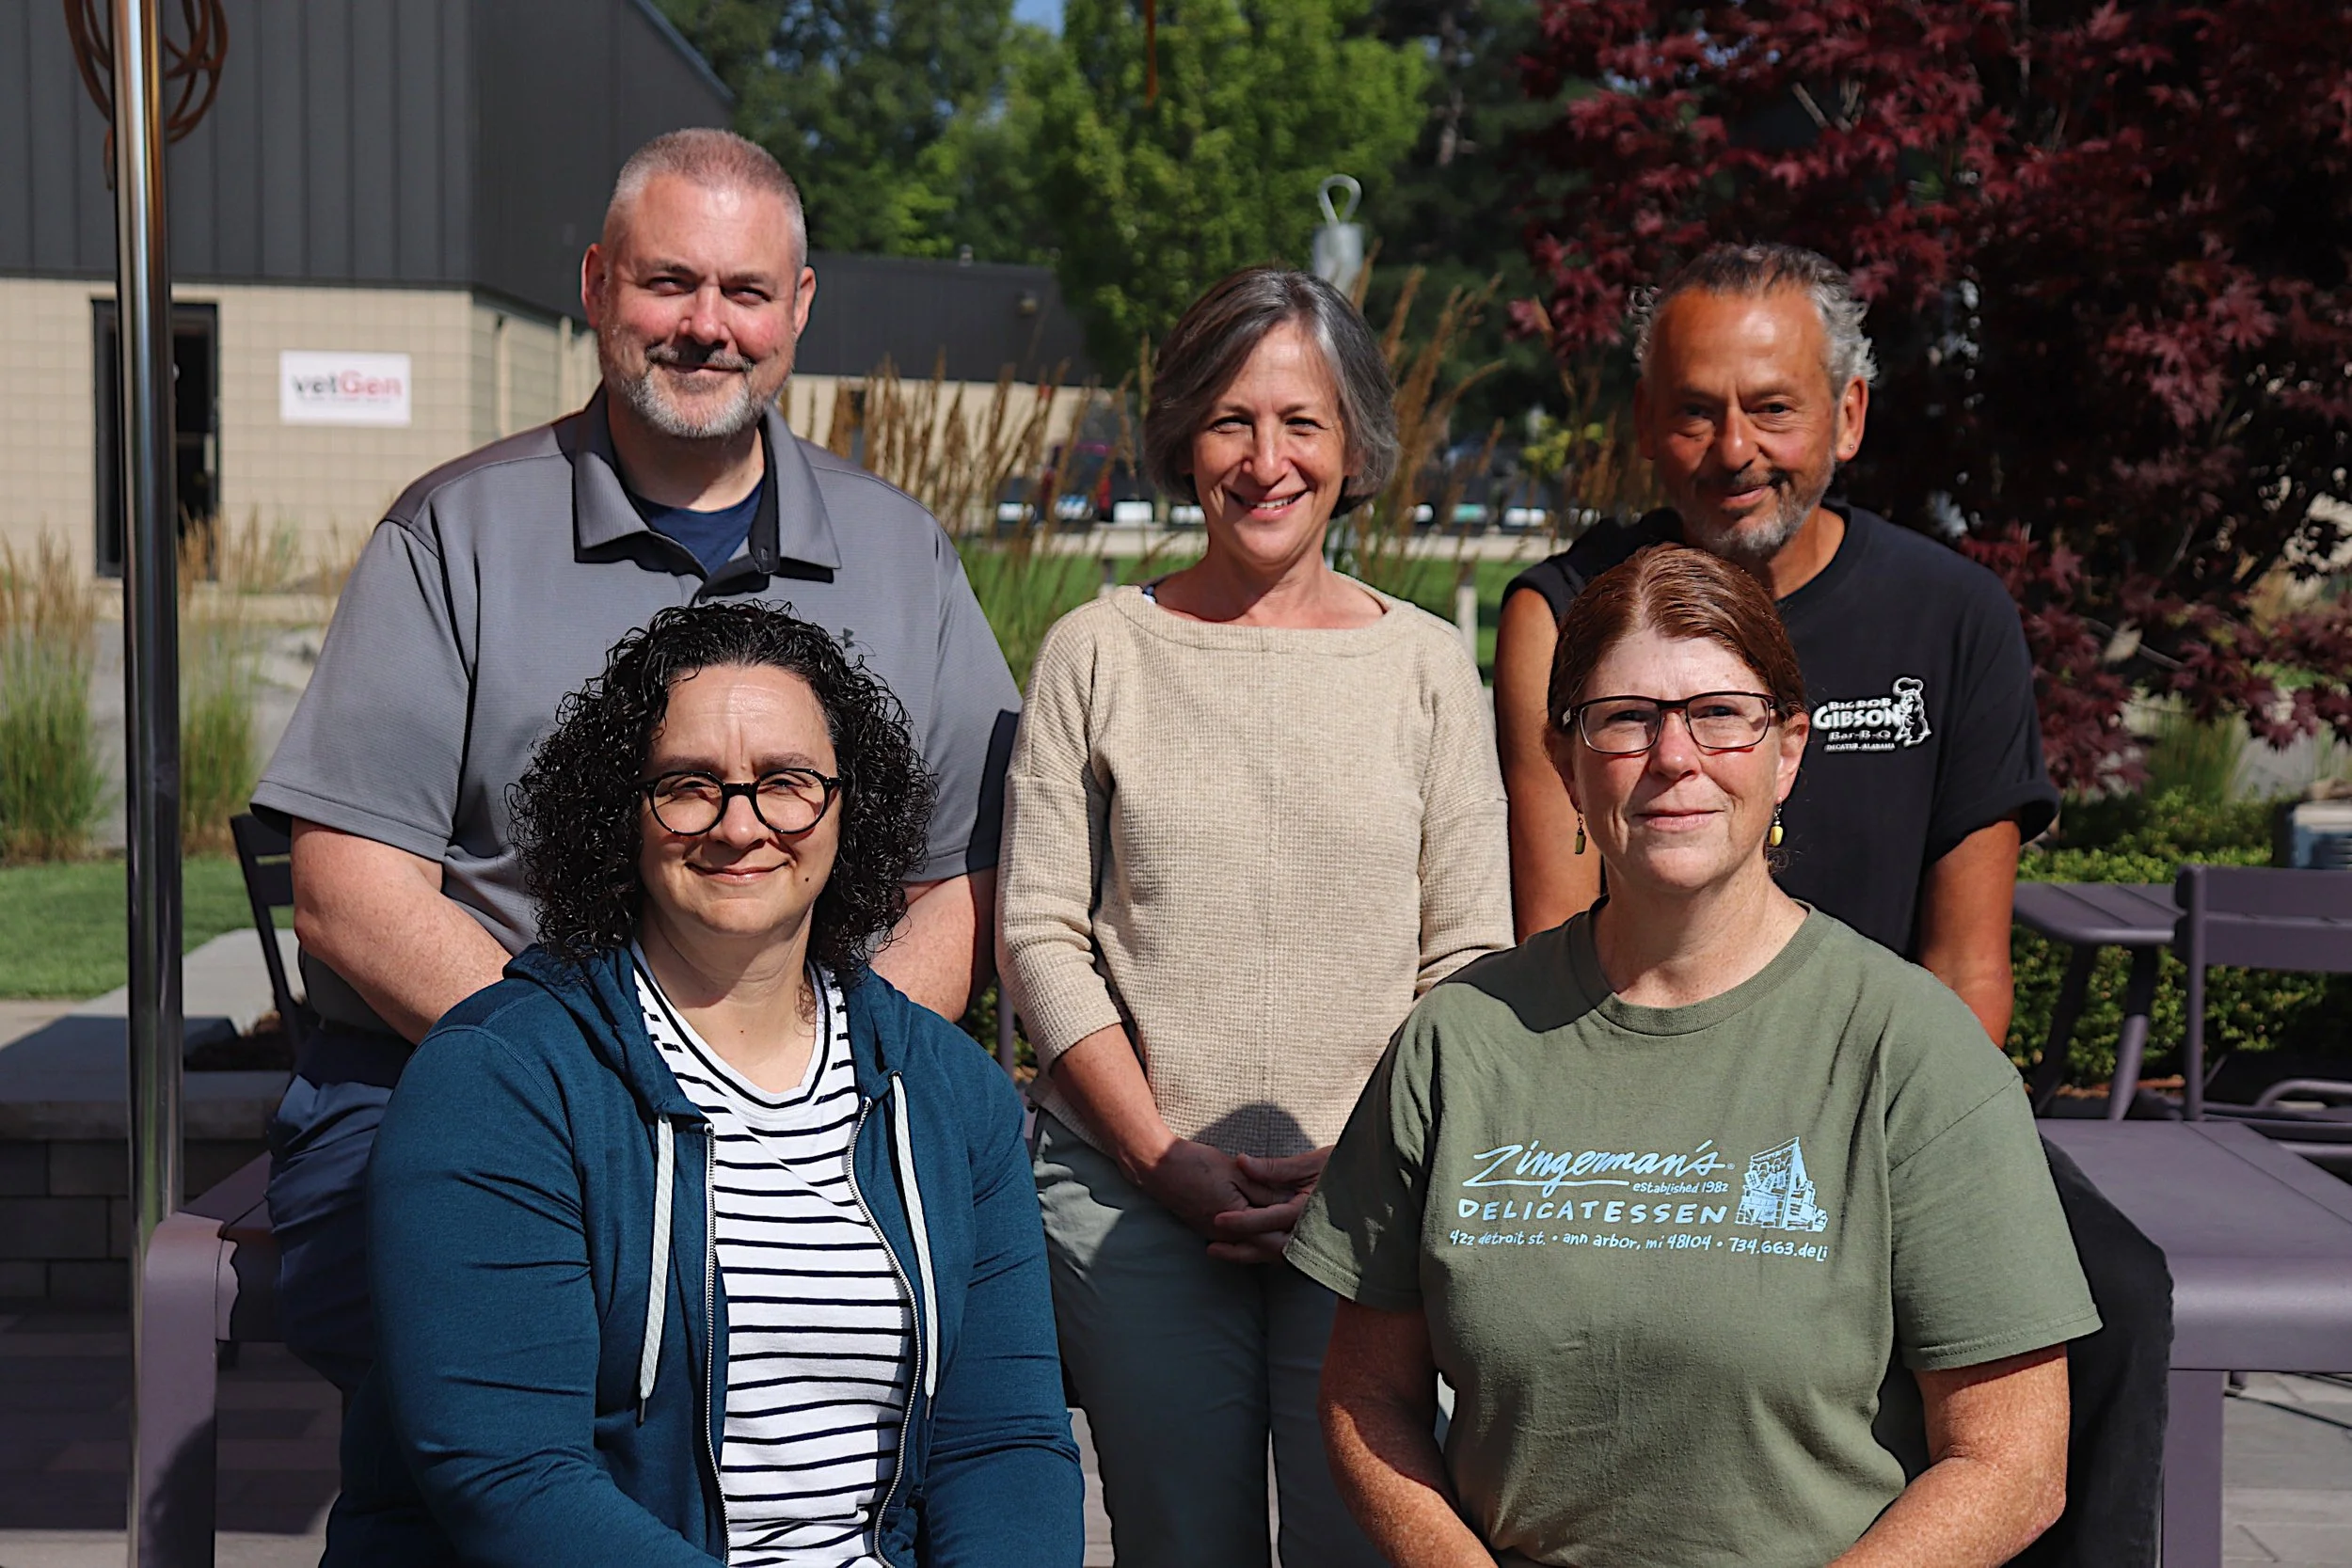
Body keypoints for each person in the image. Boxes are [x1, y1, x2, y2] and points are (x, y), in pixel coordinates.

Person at [251, 128, 1020, 1390]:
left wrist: (819, 1083)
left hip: (821, 1108)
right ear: (600, 283)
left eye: (747, 291)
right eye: (670, 282)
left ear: (799, 309)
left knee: (938, 1365)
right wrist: (614, 1077)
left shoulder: (900, 556)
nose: (707, 325)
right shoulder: (456, 535)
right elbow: (350, 893)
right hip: (477, 1083)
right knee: (525, 1387)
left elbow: (970, 881)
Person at [1490, 243, 2171, 1565]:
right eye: (1692, 407)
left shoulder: (1953, 615)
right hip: (1635, 1099)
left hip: (1899, 1101)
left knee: (2118, 1289)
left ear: (1848, 415)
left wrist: (1883, 1173)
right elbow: (1553, 939)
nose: (1732, 445)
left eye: (1773, 405)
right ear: (1644, 425)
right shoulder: (1567, 615)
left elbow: (1970, 968)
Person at [1293, 543, 2100, 1568]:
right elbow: (1365, 1395)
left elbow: (2014, 1460)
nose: (1674, 755)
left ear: (1788, 749)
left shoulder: (1909, 1050)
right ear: (1565, 760)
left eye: (1720, 713)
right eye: (1625, 718)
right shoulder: (1460, 1042)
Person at [326, 602, 1081, 1568]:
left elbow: (1005, 1442)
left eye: (787, 782)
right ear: (621, 812)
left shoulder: (948, 1095)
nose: (740, 824)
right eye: (688, 786)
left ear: (848, 807)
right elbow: (509, 1476)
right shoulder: (501, 1080)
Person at [997, 266, 1513, 1568]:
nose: (1266, 458)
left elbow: (1467, 955)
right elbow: (1042, 933)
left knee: (1370, 1536)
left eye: (1304, 421)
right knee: (1177, 1539)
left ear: (1355, 446)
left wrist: (1361, 1161)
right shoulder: (1097, 650)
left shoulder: (1425, 668)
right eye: (1231, 419)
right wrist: (1160, 1153)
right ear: (1182, 436)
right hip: (1133, 1199)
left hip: (1378, 1205)